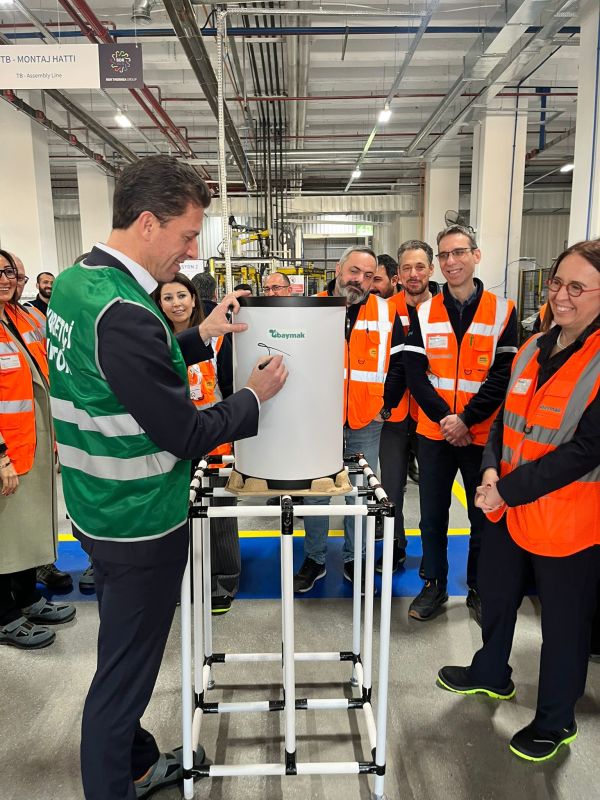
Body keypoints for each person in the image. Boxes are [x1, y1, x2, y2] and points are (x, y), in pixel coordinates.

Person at [46, 155, 287, 800]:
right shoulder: (127, 310)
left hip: (94, 504)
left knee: (120, 653)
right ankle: (113, 783)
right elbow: (183, 432)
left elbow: (123, 375)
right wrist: (253, 398)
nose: (190, 253)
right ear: (148, 223)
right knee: (123, 679)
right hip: (139, 518)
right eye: (186, 235)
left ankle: (136, 762)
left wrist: (200, 334)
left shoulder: (76, 285)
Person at [437, 239, 600, 762]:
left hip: (568, 518)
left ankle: (555, 720)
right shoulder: (533, 347)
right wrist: (490, 470)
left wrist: (504, 488)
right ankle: (490, 672)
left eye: (577, 287)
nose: (562, 296)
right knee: (497, 592)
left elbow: (586, 450)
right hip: (507, 507)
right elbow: (503, 422)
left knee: (563, 626)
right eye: (557, 283)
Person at [404, 225, 518, 623]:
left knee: (482, 515)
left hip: (480, 435)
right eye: (444, 255)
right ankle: (434, 584)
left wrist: (466, 419)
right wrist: (446, 419)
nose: (451, 261)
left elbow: (503, 375)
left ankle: (479, 587)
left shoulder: (503, 311)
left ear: (476, 255)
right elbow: (416, 374)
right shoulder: (423, 312)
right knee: (432, 516)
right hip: (434, 433)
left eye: (459, 252)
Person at [293, 245, 405, 594]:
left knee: (360, 494)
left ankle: (356, 558)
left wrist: (384, 406)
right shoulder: (308, 308)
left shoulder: (386, 312)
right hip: (319, 420)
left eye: (369, 275)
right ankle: (314, 559)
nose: (360, 280)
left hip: (366, 420)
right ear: (339, 269)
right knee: (316, 493)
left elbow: (400, 363)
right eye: (354, 271)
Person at [0, 250, 76, 650]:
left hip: (34, 443)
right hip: (6, 452)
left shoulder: (25, 317)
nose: (5, 279)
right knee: (4, 536)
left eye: (9, 271)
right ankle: (4, 616)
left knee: (28, 530)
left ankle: (27, 598)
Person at [153, 272, 238, 615]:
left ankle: (223, 581)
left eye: (182, 296)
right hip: (170, 445)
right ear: (159, 304)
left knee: (218, 515)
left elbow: (230, 388)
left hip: (213, 440)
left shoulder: (217, 340)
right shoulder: (155, 342)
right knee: (177, 515)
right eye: (168, 297)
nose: (176, 304)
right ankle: (184, 579)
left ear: (194, 299)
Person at [377, 240, 438, 573]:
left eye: (420, 267)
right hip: (394, 416)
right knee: (390, 489)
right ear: (398, 274)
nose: (413, 274)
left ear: (431, 269)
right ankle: (394, 547)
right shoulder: (384, 310)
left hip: (433, 417)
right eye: (406, 268)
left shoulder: (445, 311)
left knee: (433, 492)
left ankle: (432, 558)